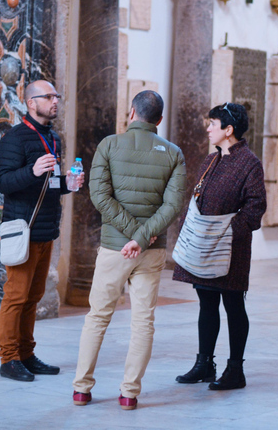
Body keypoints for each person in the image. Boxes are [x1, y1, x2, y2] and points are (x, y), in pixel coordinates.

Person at [72, 90, 186, 410]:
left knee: (97, 317)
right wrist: (143, 236)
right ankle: (129, 394)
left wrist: (132, 235)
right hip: (151, 250)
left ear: (131, 112)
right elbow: (173, 205)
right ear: (159, 119)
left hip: (114, 248)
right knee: (143, 322)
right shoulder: (173, 153)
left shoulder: (109, 145)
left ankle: (81, 389)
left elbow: (100, 196)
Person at [0, 80, 85, 382]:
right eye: (48, 97)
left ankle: (26, 354)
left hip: (46, 229)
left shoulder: (53, 138)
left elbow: (51, 183)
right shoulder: (14, 138)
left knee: (33, 296)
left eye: (56, 96)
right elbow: (2, 182)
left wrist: (68, 184)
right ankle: (9, 359)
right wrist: (31, 171)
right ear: (31, 103)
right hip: (23, 230)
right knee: (16, 297)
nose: (55, 101)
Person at [172, 102, 267, 390]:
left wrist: (227, 233)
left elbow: (255, 208)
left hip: (231, 249)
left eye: (213, 124)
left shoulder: (249, 163)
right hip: (204, 246)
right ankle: (204, 364)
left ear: (229, 130)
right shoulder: (210, 160)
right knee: (207, 303)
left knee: (234, 305)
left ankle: (235, 370)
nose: (208, 128)